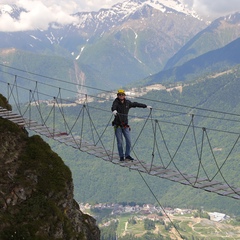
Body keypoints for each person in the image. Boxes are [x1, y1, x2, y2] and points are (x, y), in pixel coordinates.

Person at [111, 89, 152, 161]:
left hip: (125, 125)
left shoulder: (127, 103)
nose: (121, 96)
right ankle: (121, 157)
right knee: (120, 142)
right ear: (118, 95)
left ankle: (127, 155)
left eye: (122, 94)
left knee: (129, 141)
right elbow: (113, 106)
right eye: (120, 95)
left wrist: (145, 106)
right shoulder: (116, 102)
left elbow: (135, 104)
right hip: (118, 125)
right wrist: (114, 110)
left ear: (124, 95)